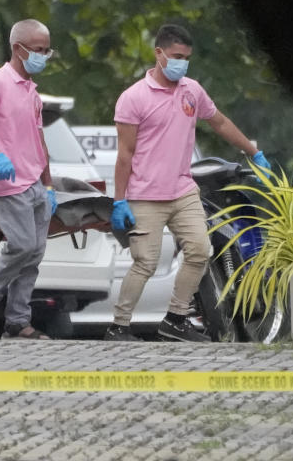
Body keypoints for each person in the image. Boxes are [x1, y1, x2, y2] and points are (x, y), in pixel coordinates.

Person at [104, 24, 272, 342]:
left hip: (182, 190)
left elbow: (219, 121)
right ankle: (118, 326)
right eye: (177, 56)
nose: (182, 63)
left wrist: (253, 151)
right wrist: (119, 200)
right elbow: (124, 154)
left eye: (186, 58)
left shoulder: (191, 91)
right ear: (159, 53)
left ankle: (176, 319)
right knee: (146, 263)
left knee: (200, 250)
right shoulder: (133, 98)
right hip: (145, 195)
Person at [0, 18, 59, 340]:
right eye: (38, 50)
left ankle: (18, 321)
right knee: (22, 245)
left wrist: (48, 184)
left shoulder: (32, 92)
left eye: (47, 51)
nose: (43, 56)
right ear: (18, 49)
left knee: (34, 255)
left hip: (34, 182)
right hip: (7, 182)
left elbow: (39, 140)